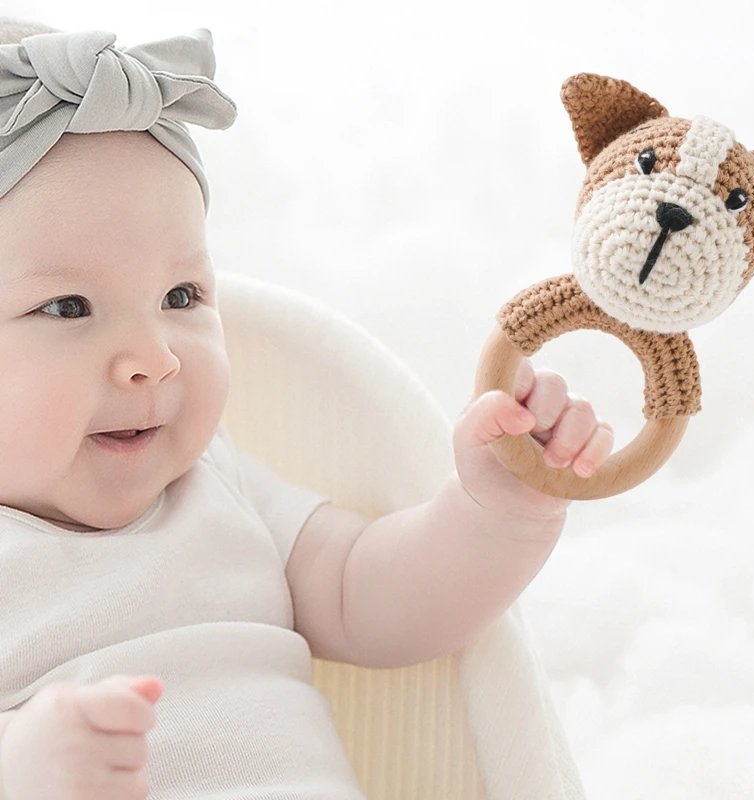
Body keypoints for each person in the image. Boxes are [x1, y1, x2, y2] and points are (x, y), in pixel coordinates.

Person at [0, 18, 614, 800]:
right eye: (68, 307)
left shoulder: (217, 484)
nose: (156, 357)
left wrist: (497, 513)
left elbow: (374, 601)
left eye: (181, 295)